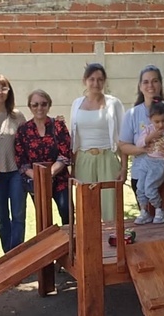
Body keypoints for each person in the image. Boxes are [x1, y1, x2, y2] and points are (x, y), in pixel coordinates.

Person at [118, 65, 164, 200]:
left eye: (155, 81)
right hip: (142, 174)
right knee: (147, 214)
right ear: (140, 86)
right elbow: (123, 145)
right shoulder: (132, 114)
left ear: (161, 84)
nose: (151, 85)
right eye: (146, 82)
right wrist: (144, 149)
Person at [69, 63, 126, 222]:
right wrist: (73, 167)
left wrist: (123, 168)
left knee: (111, 208)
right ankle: (88, 245)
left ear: (105, 81)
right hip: (84, 159)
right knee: (86, 207)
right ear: (85, 81)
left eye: (100, 79)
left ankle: (112, 243)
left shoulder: (114, 103)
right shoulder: (76, 104)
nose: (96, 83)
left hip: (107, 158)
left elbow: (123, 138)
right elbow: (74, 137)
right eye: (92, 79)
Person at [15, 89, 73, 225]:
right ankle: (48, 245)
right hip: (36, 180)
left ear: (49, 105)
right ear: (30, 107)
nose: (39, 108)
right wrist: (38, 176)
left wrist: (50, 173)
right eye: (35, 105)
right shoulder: (23, 129)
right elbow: (20, 159)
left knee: (67, 212)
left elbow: (65, 154)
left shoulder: (58, 126)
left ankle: (70, 243)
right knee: (43, 218)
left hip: (59, 178)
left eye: (43, 104)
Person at [0, 74, 27, 252]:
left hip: (16, 173)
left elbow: (29, 141)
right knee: (2, 216)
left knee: (18, 214)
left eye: (3, 88)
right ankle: (7, 253)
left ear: (9, 91)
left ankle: (17, 254)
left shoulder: (17, 116)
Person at [133, 99, 164, 225]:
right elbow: (139, 143)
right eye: (157, 122)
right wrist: (151, 136)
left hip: (159, 162)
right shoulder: (149, 129)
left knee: (150, 188)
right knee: (140, 187)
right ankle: (144, 211)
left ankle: (160, 209)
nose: (161, 125)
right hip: (147, 160)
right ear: (150, 119)